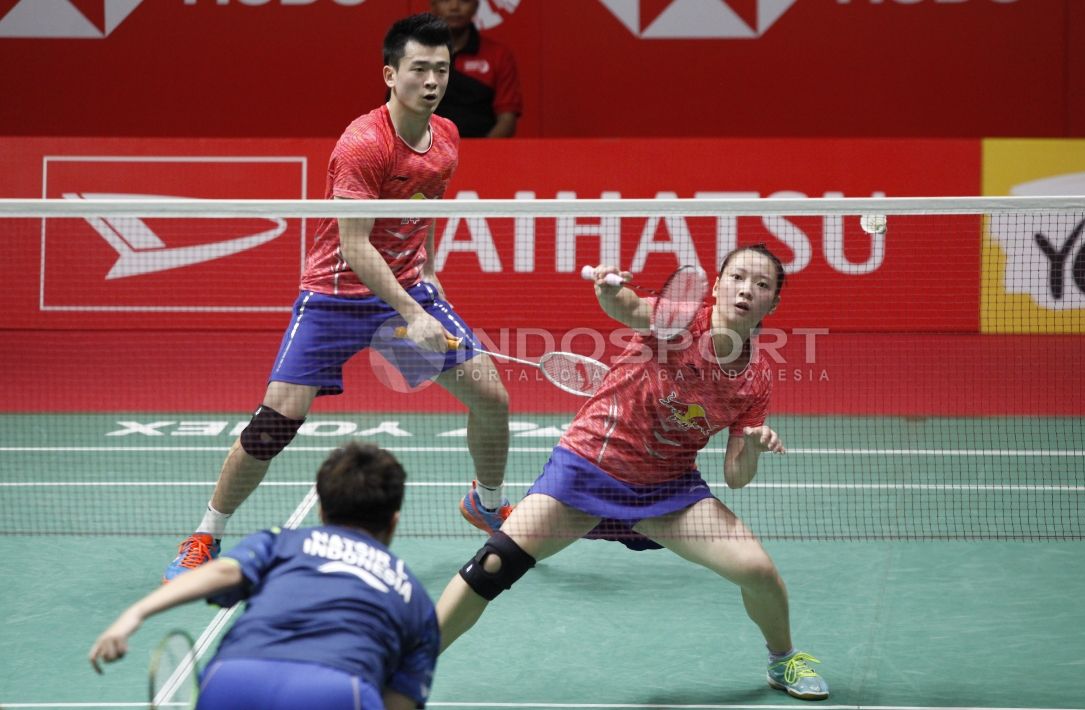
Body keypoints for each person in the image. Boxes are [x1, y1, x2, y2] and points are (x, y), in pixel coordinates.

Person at [164, 13, 512, 582]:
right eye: (418, 69)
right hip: (335, 297)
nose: (432, 81)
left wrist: (428, 270)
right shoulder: (363, 143)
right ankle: (206, 534)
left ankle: (488, 504)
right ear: (389, 73)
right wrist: (413, 312)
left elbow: (426, 207)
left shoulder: (446, 136)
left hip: (405, 288)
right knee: (276, 424)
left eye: (441, 70)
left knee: (492, 399)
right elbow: (353, 246)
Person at [434, 245, 831, 701]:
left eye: (762, 285)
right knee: (494, 564)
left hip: (667, 491)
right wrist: (608, 290)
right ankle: (410, 663)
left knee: (758, 571)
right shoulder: (680, 319)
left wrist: (756, 447)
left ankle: (783, 661)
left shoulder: (756, 379)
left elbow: (736, 476)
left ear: (773, 303)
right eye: (738, 278)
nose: (747, 290)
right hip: (588, 466)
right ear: (717, 285)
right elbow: (632, 308)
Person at [91, 442, 438, 710]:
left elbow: (223, 571)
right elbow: (399, 702)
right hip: (337, 689)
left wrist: (135, 613)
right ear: (394, 521)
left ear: (320, 509)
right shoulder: (414, 597)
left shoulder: (281, 542)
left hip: (232, 678)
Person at [430, 0, 522, 138]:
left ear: (476, 6)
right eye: (446, 0)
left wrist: (481, 154)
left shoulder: (499, 55)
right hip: (427, 155)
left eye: (464, 1)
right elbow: (399, 116)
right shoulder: (414, 55)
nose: (454, 7)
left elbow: (507, 121)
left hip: (484, 155)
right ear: (433, 6)